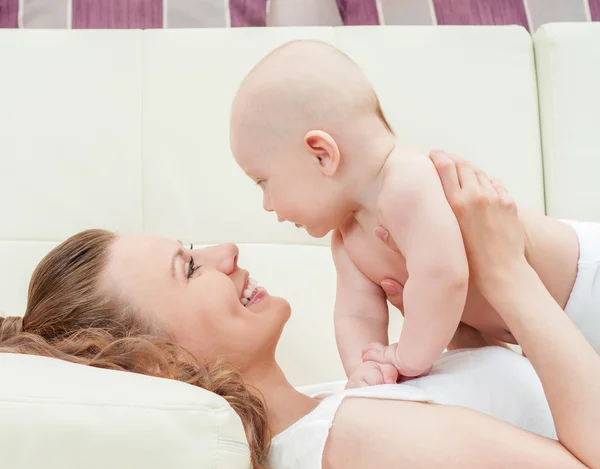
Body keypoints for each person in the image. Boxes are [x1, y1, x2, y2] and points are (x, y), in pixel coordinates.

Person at [1, 153, 599, 469]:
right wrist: (510, 278)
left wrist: (468, 328)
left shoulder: (335, 404)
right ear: (158, 361)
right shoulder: (351, 440)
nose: (226, 252)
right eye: (189, 266)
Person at [229, 39, 599, 381]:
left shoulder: (408, 181)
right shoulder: (348, 241)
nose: (267, 205)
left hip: (586, 285)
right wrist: (366, 370)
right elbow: (356, 315)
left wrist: (408, 357)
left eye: (263, 181)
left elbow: (444, 275)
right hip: (550, 337)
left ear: (322, 155)